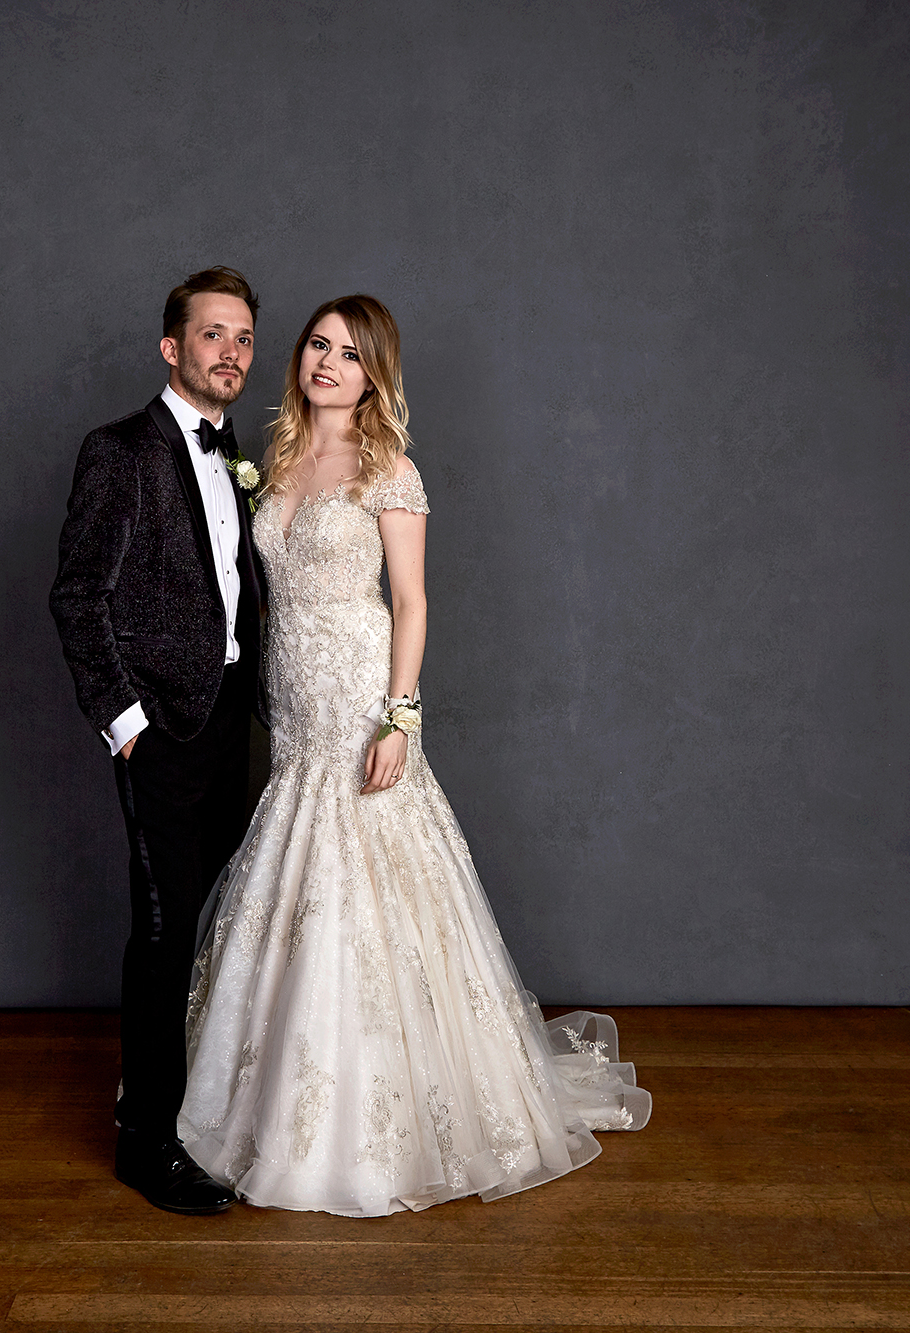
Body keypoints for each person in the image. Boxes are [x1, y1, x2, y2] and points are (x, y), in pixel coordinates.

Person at [179, 295, 650, 1217]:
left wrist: (400, 716)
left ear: (373, 374)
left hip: (359, 696)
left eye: (350, 355)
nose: (327, 364)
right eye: (318, 345)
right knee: (294, 874)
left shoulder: (388, 466)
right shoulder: (270, 461)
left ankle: (366, 1117)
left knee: (366, 876)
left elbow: (413, 600)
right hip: (294, 700)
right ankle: (259, 1090)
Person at [49, 267, 267, 1215]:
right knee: (164, 929)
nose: (231, 352)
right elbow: (77, 593)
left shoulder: (240, 453)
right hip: (159, 730)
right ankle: (147, 1142)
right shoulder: (120, 450)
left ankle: (184, 1095)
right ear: (172, 347)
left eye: (245, 338)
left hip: (231, 721)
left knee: (211, 922)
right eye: (212, 334)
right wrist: (125, 722)